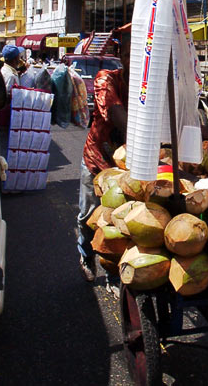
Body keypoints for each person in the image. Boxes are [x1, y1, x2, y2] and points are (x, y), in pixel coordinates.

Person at [77, 32, 130, 290]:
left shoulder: (148, 86)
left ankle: (112, 273)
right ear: (121, 56)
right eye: (130, 55)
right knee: (89, 216)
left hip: (129, 168)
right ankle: (86, 255)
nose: (136, 61)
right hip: (99, 160)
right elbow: (116, 114)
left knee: (118, 222)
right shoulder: (105, 79)